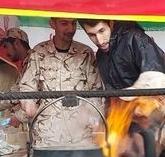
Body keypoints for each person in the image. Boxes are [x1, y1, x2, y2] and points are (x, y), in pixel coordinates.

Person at [18, 18, 102, 148]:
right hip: (47, 135)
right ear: (53, 24)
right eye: (64, 23)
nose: (70, 29)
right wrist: (28, 101)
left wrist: (95, 120)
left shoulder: (85, 53)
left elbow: (96, 91)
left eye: (73, 23)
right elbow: (27, 86)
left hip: (80, 135)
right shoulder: (39, 52)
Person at [78, 19, 165, 89]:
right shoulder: (101, 55)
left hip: (149, 110)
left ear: (111, 23)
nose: (99, 41)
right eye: (92, 35)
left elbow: (158, 82)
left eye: (102, 31)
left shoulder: (135, 39)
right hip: (122, 112)